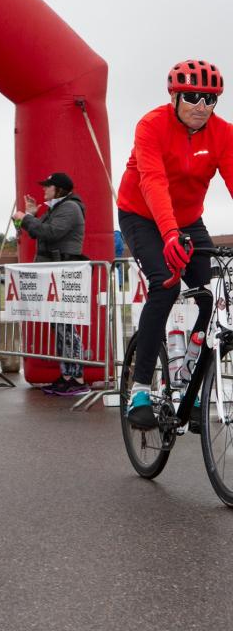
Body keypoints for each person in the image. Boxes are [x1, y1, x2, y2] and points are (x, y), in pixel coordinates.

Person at [118, 59, 231, 430]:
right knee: (165, 284)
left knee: (209, 295)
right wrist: (168, 234)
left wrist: (178, 229)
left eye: (211, 99)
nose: (202, 106)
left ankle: (189, 378)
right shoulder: (151, 125)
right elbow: (153, 182)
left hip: (187, 218)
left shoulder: (223, 134)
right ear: (174, 96)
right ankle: (138, 388)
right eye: (194, 96)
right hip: (141, 214)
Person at [13, 171, 89, 396]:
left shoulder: (69, 208)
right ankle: (67, 376)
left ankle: (76, 378)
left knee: (66, 326)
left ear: (60, 189)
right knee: (60, 325)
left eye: (48, 186)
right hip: (55, 273)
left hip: (64, 273)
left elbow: (50, 233)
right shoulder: (57, 208)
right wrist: (33, 215)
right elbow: (39, 233)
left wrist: (26, 218)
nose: (44, 189)